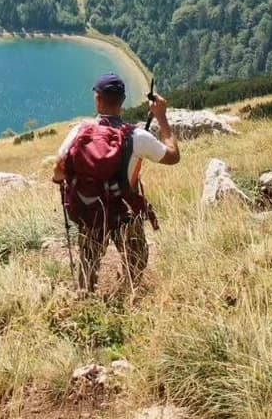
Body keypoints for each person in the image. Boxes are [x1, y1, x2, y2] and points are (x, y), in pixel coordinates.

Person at [52, 72, 180, 295]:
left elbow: (58, 169)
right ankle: (130, 294)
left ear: (98, 99)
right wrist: (161, 117)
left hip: (91, 208)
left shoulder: (79, 132)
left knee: (88, 261)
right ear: (122, 101)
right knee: (136, 258)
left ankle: (86, 297)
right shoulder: (137, 137)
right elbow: (173, 156)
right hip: (125, 211)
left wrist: (62, 181)